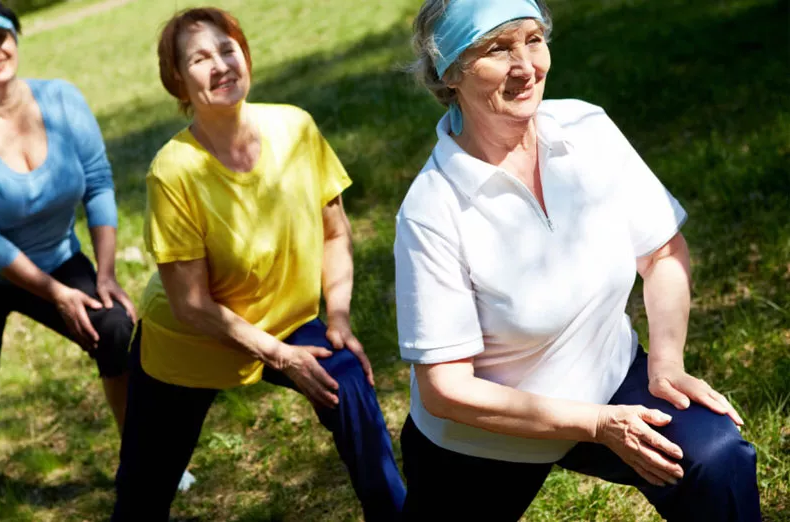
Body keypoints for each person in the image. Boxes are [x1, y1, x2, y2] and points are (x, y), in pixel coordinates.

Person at [394, 0, 761, 520]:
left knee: (716, 459)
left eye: (533, 40)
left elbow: (662, 253)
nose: (525, 66)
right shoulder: (432, 210)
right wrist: (594, 425)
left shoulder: (586, 128)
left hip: (608, 375)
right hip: (488, 436)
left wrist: (666, 363)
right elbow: (446, 390)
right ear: (450, 72)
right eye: (497, 48)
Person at [111, 7, 406, 521]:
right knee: (143, 494)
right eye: (199, 59)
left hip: (287, 321)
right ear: (177, 80)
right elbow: (192, 305)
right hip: (189, 345)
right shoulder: (173, 172)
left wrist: (337, 317)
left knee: (348, 380)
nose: (220, 64)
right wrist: (278, 355)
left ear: (245, 55)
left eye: (227, 49)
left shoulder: (296, 128)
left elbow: (335, 233)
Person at [0, 0, 137, 518]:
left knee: (116, 328)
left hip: (55, 255)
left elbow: (98, 183)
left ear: (15, 37)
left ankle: (139, 459)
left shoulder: (62, 99)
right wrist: (57, 294)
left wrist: (103, 273)